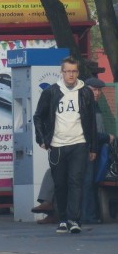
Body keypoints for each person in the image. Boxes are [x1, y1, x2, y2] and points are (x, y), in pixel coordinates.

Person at [33, 56, 98, 234]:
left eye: (74, 71)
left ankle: (74, 220)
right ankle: (62, 219)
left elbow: (91, 121)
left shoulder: (85, 92)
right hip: (57, 144)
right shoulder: (51, 92)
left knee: (76, 181)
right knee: (60, 184)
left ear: (78, 72)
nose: (71, 75)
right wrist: (42, 139)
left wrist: (93, 147)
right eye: (68, 71)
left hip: (79, 143)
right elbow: (38, 116)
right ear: (62, 72)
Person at [81, 77, 114, 224]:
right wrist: (107, 137)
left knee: (91, 182)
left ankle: (92, 214)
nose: (97, 93)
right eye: (94, 89)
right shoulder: (84, 106)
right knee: (87, 182)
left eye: (99, 90)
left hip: (96, 149)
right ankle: (87, 215)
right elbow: (88, 132)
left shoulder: (96, 106)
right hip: (87, 150)